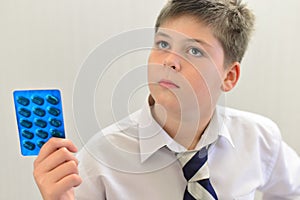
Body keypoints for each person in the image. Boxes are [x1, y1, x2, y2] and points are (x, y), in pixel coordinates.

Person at [33, 0, 300, 199]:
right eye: (162, 44)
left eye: (194, 50)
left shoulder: (261, 139)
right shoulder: (100, 158)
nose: (170, 61)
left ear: (229, 76)